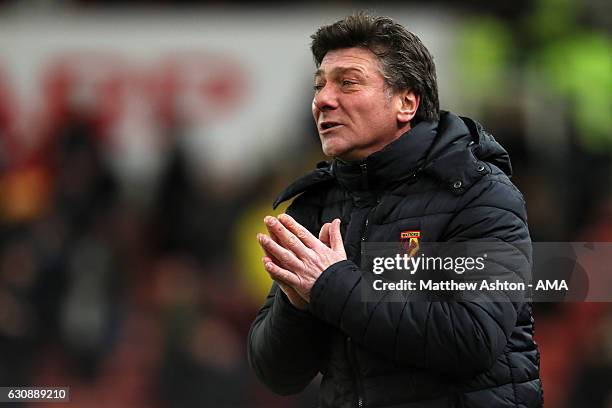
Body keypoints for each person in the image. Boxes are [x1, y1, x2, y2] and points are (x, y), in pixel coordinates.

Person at [248, 13, 543, 408]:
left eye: (347, 83)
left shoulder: (478, 194)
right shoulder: (315, 205)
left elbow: (471, 339)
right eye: (319, 86)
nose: (322, 100)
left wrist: (332, 285)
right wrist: (297, 306)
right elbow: (278, 375)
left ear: (406, 102)